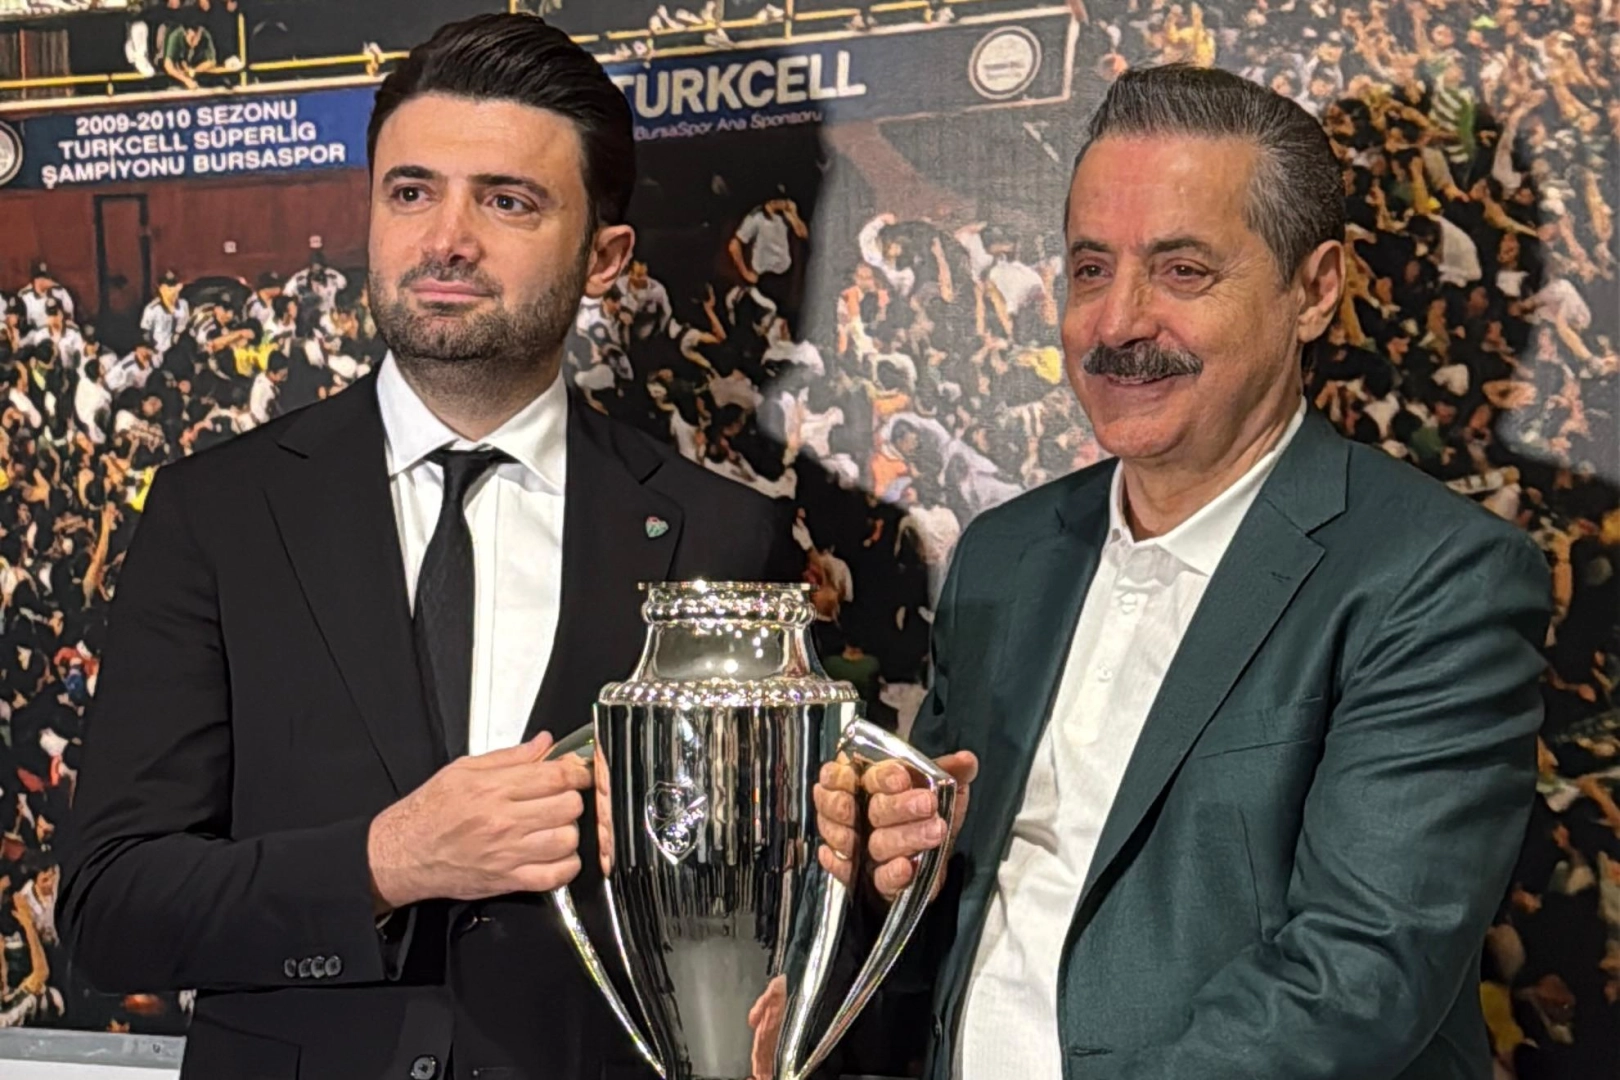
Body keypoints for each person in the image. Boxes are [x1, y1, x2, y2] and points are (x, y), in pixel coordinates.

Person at [59, 14, 796, 1080]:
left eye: (507, 201)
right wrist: (385, 861)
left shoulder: (721, 533)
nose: (447, 239)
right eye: (411, 192)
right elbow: (110, 911)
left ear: (605, 258)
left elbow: (756, 899)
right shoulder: (214, 513)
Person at [808, 65, 1552, 1080]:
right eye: (1089, 268)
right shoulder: (1003, 555)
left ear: (1314, 290)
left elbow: (1358, 977)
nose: (1117, 323)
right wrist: (889, 871)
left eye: (1183, 271)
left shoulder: (1438, 578)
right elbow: (943, 918)